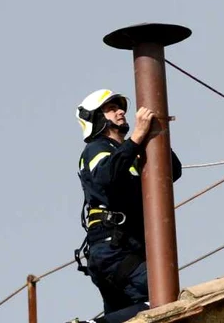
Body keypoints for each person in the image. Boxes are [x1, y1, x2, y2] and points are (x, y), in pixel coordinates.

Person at [69, 89, 182, 323]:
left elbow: (173, 172)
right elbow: (106, 177)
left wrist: (154, 138)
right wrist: (137, 138)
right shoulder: (96, 149)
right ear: (96, 118)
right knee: (164, 298)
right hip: (114, 249)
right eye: (111, 109)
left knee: (132, 317)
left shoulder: (128, 153)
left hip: (125, 247)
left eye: (120, 107)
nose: (121, 112)